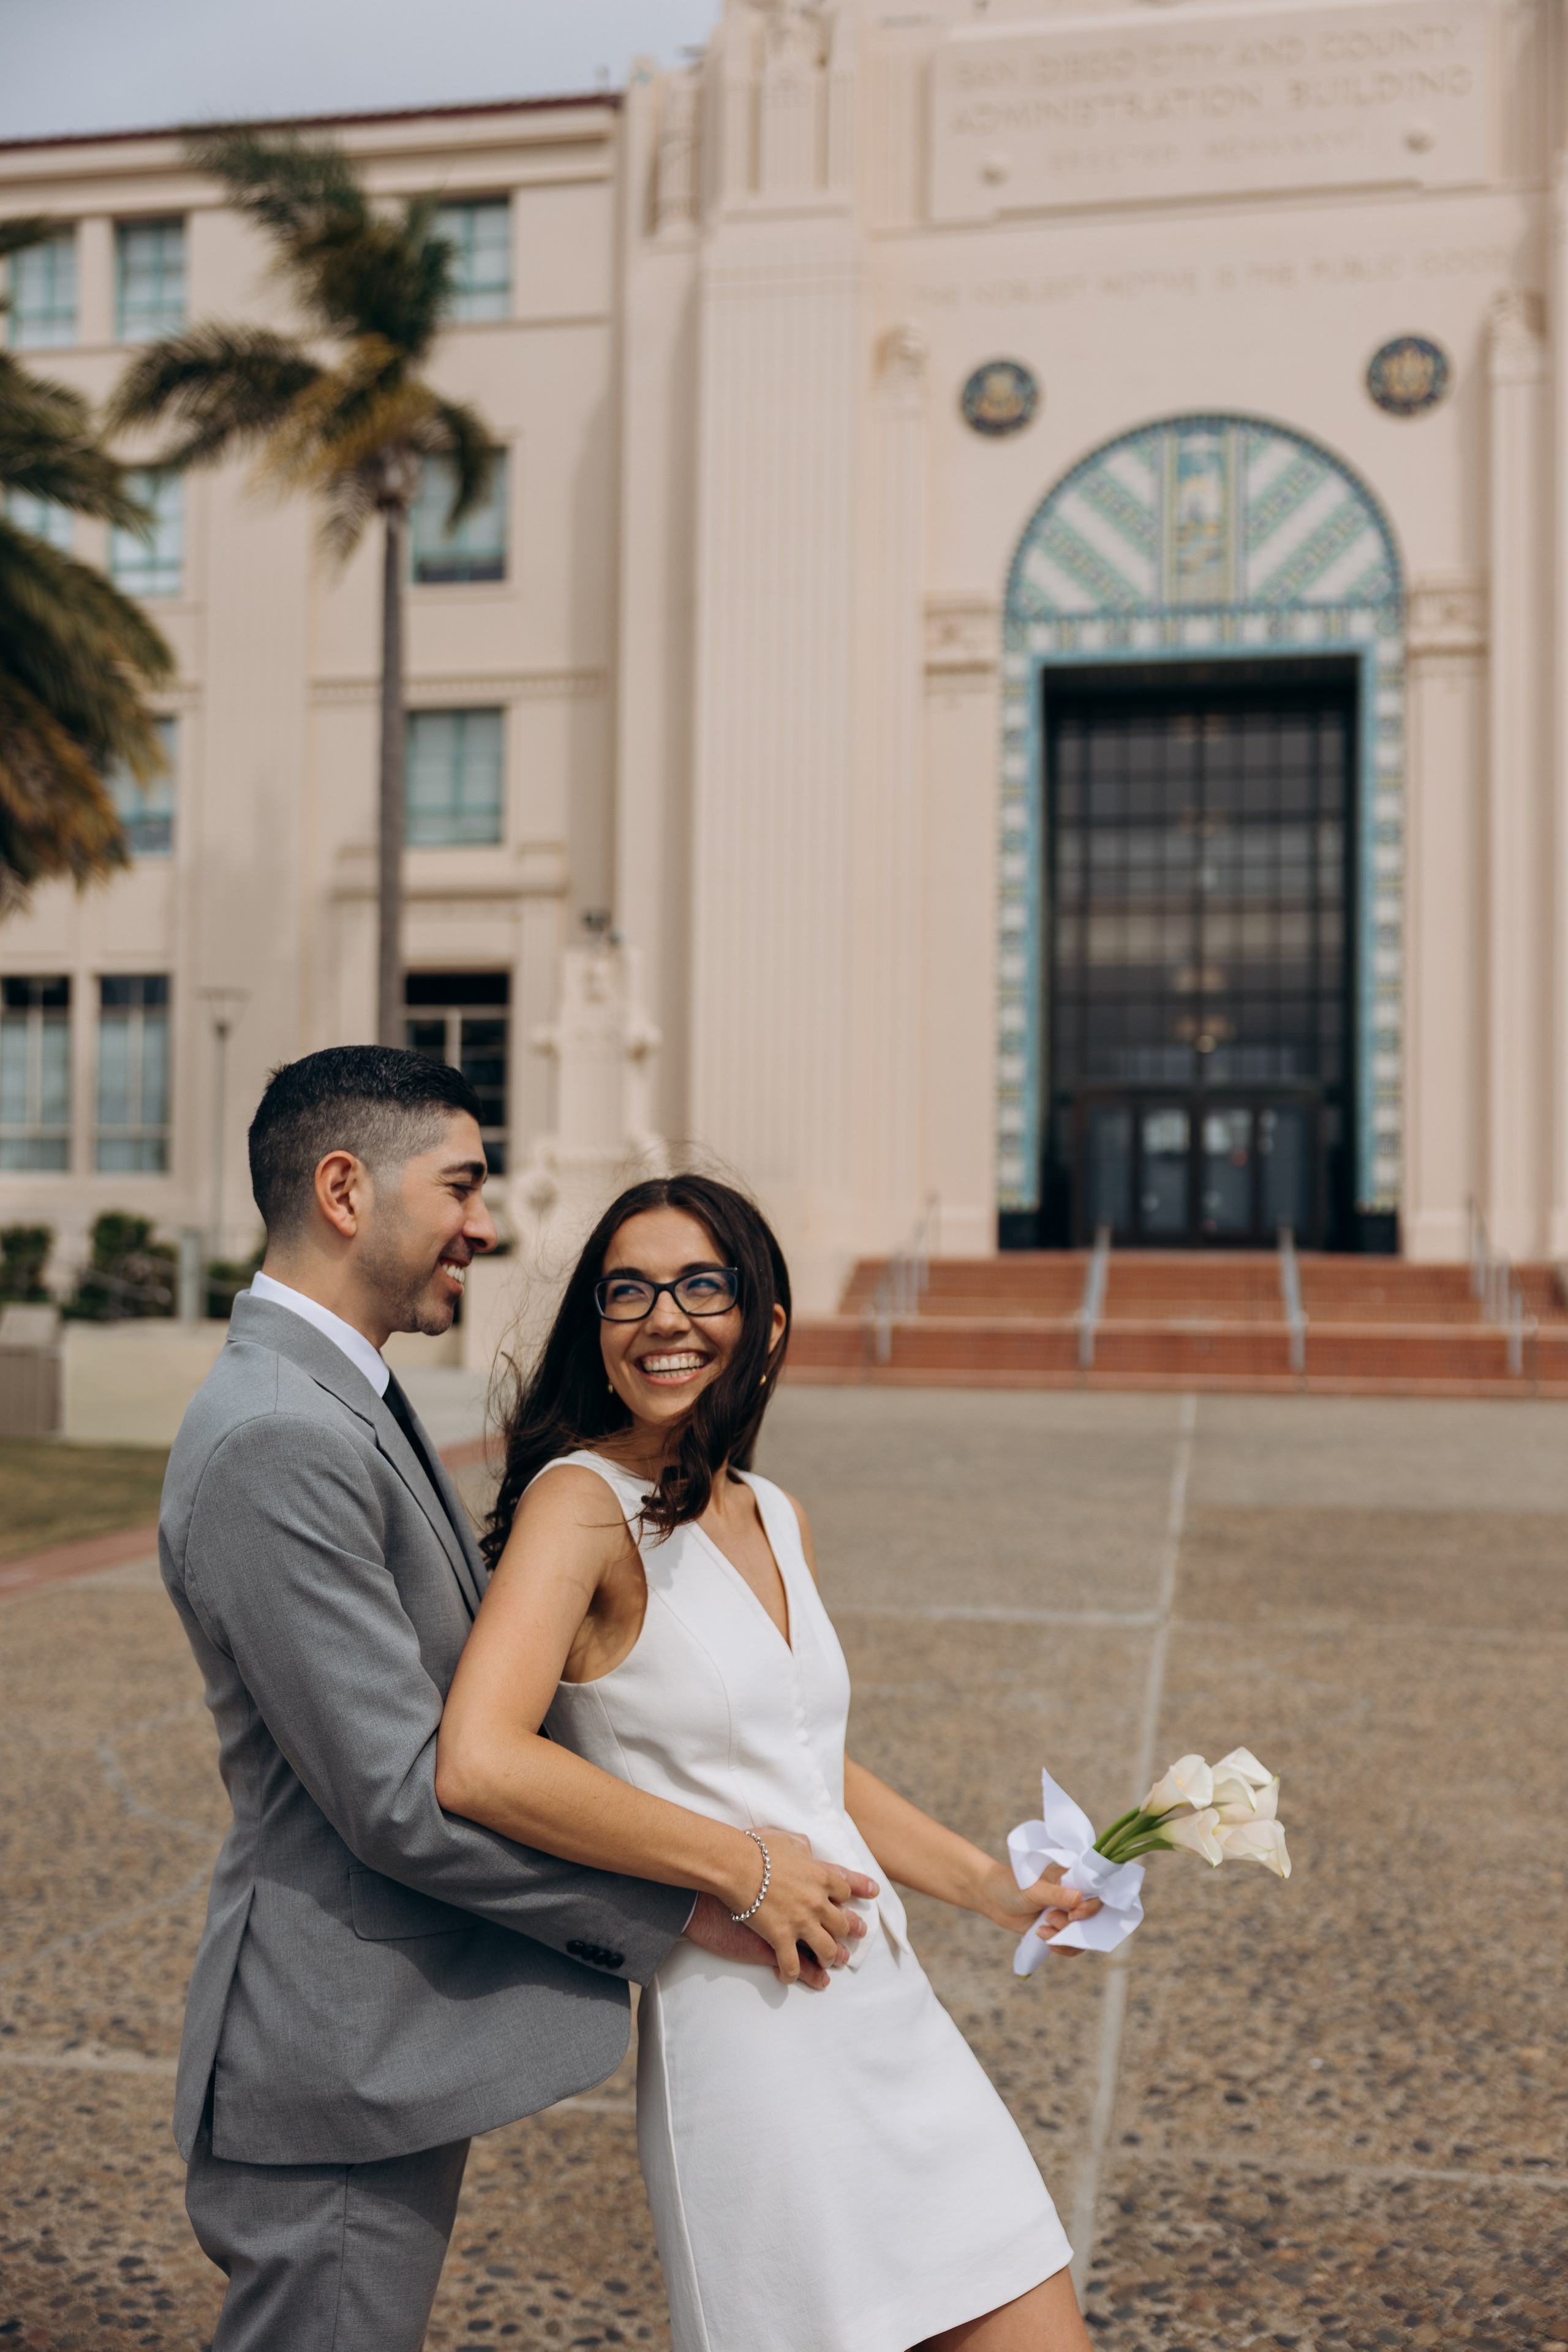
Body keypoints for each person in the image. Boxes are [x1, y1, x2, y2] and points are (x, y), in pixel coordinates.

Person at [159, 1051, 874, 2352]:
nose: (485, 1226)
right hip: (335, 2052)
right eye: (462, 1186)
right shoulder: (278, 1435)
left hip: (375, 2037)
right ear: (343, 1191)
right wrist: (702, 1895)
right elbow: (398, 1795)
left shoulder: (340, 1395)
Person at [437, 1172, 1101, 2352]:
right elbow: (480, 1761)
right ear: (598, 1326)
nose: (664, 1317)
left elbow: (807, 1761)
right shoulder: (580, 1504)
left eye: (703, 1285)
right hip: (752, 2025)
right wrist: (739, 1867)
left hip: (885, 2004)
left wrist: (993, 1887)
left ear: (768, 1323)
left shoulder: (775, 1511)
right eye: (628, 1291)